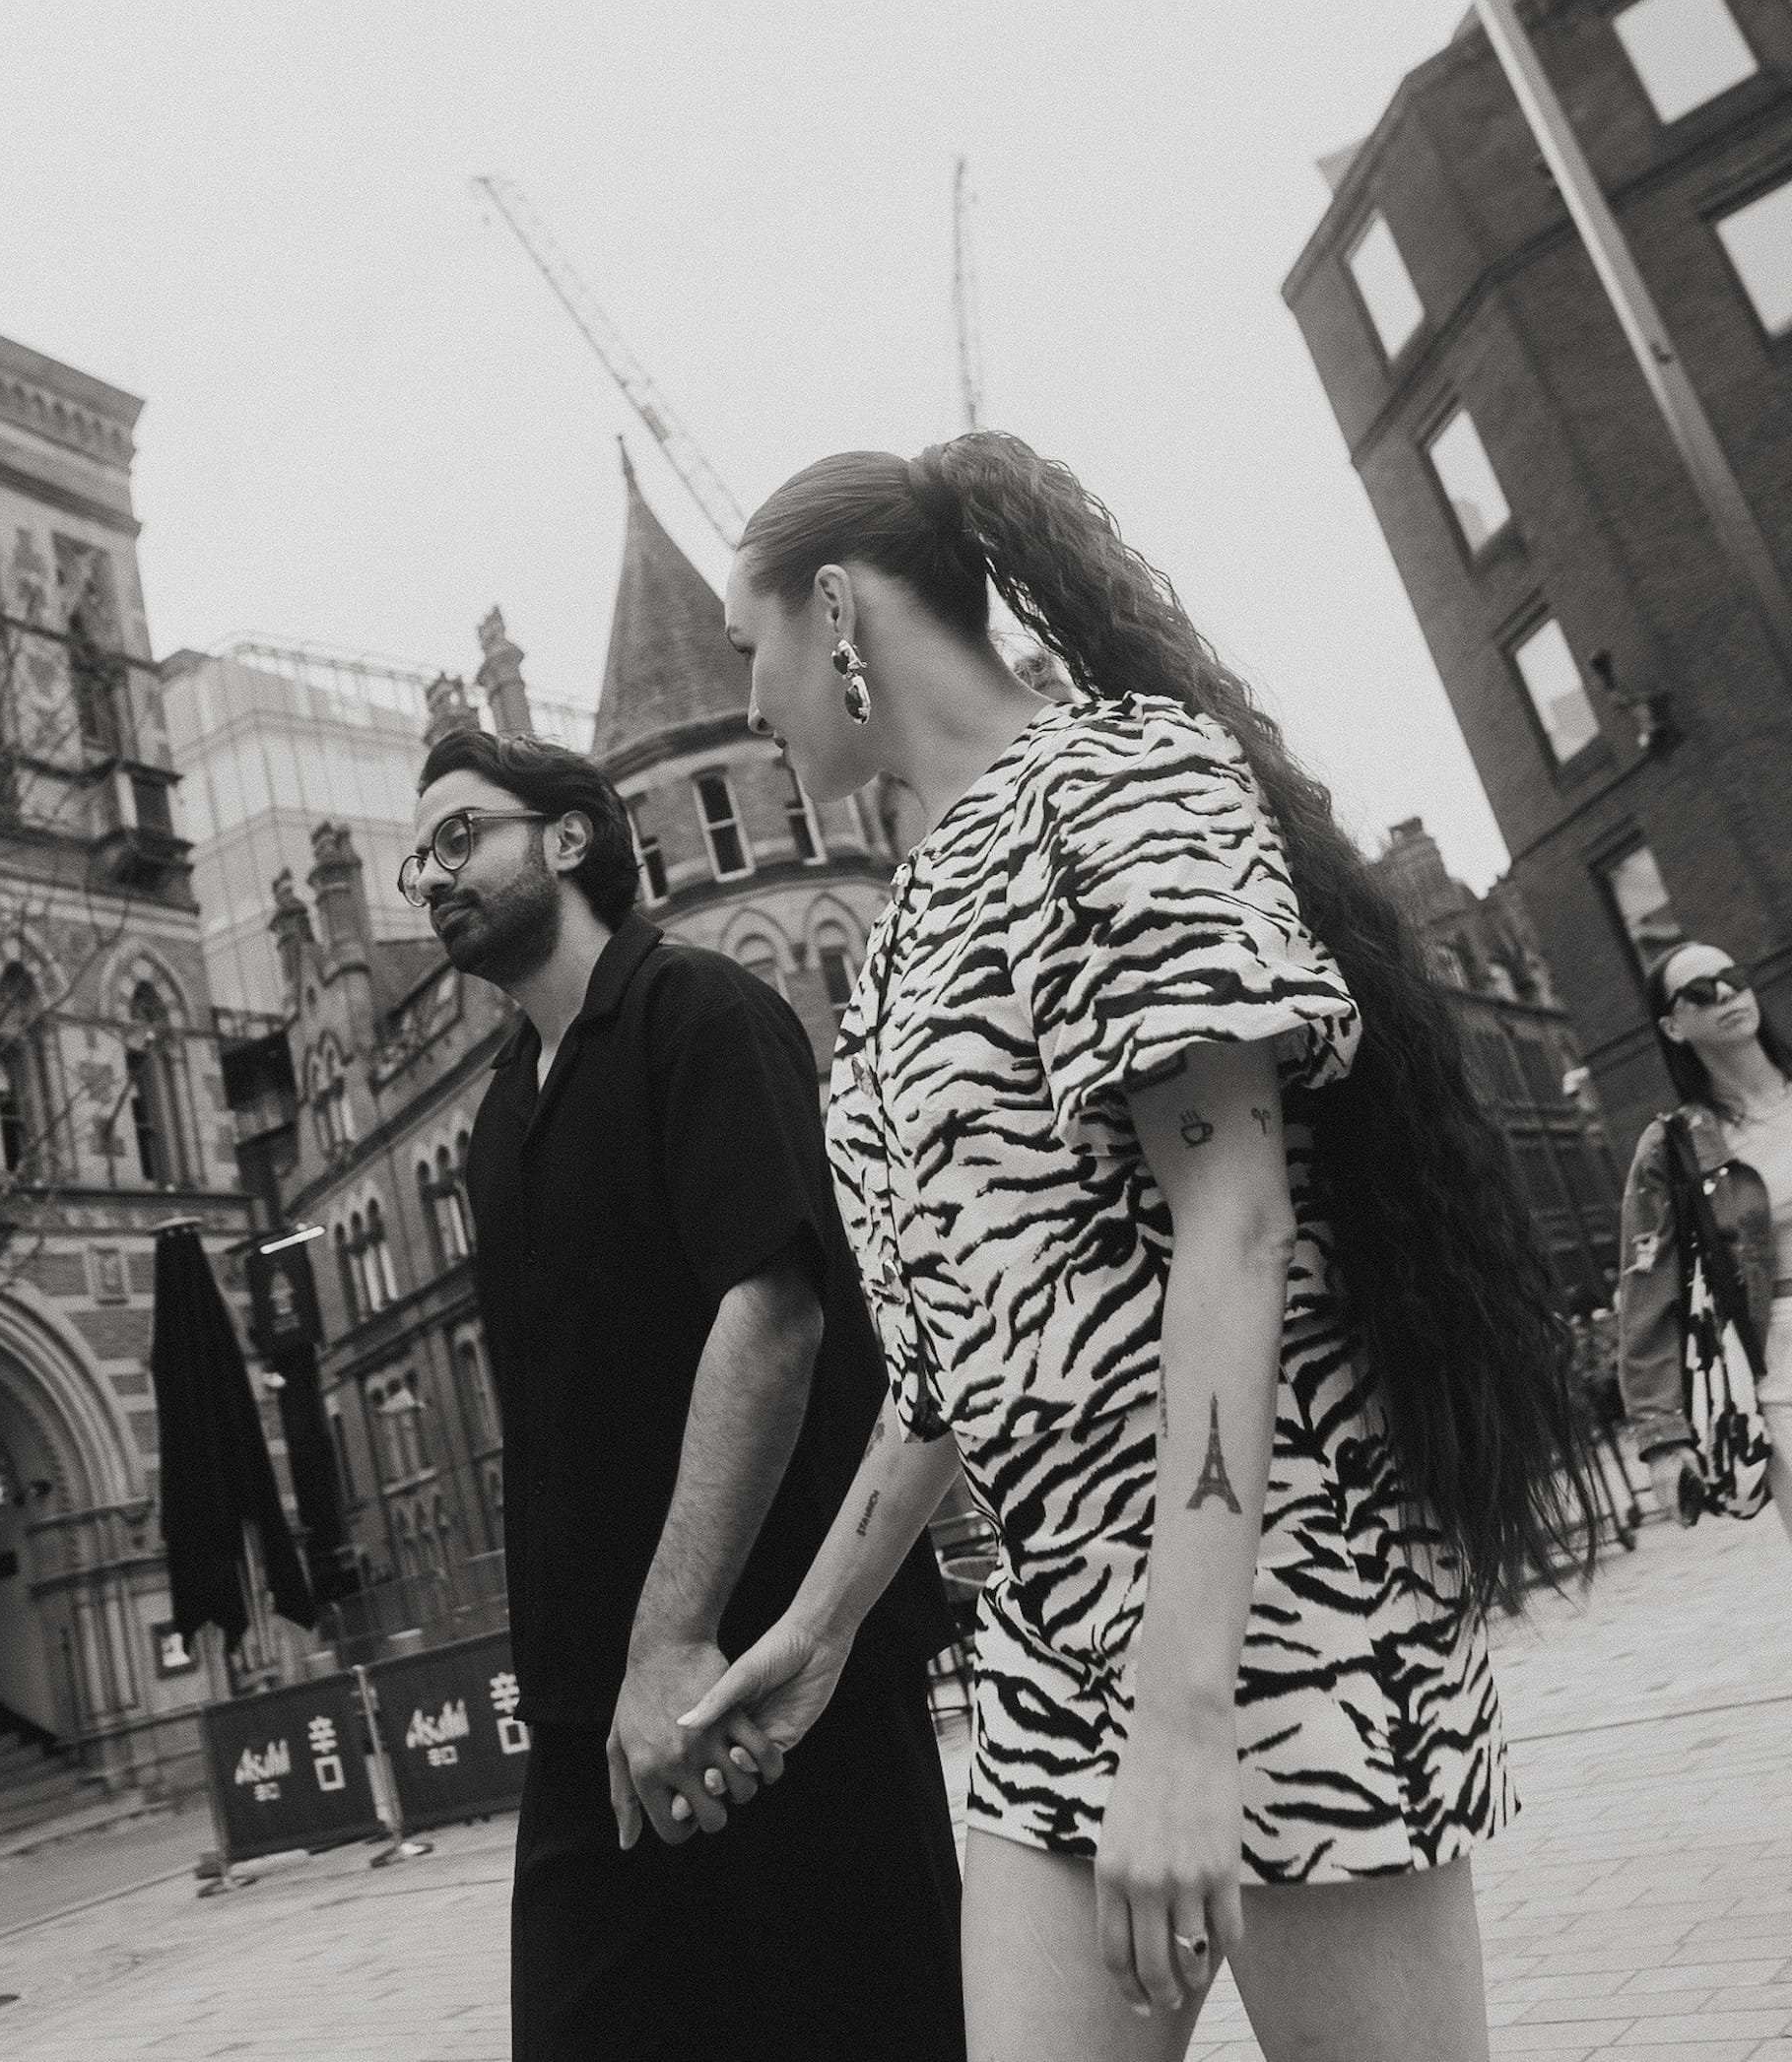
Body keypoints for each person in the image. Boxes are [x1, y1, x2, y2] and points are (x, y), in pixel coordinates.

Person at [682, 432, 1598, 2062]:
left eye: (747, 643)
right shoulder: (895, 930)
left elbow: (1234, 1218)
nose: (748, 698)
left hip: (1280, 1598)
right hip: (1050, 1643)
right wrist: (818, 1630)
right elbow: (942, 1364)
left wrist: (1187, 1710)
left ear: (833, 611)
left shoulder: (1115, 781)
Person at [404, 723, 963, 2062]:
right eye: (418, 856)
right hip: (590, 1725)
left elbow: (772, 1312)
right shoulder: (496, 1117)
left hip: (774, 1692)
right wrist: (604, 1682)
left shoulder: (701, 1012)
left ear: (572, 836)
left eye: (459, 833)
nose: (430, 874)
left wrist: (673, 1645)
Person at [1618, 939, 1792, 1543]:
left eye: (1732, 976)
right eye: (1697, 992)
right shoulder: (1676, 1145)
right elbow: (1646, 1294)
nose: (1724, 993)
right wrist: (1662, 1438)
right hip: (1781, 1362)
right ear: (1673, 1026)